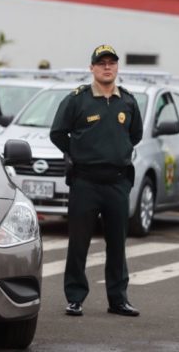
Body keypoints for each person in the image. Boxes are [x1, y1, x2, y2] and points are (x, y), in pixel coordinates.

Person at [50, 45, 143, 317]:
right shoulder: (77, 100)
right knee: (79, 243)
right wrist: (79, 151)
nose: (106, 67)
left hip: (116, 182)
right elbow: (58, 133)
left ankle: (118, 299)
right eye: (101, 63)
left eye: (111, 63)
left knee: (118, 244)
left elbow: (134, 135)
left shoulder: (127, 101)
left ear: (117, 68)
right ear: (91, 68)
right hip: (85, 182)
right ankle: (75, 297)